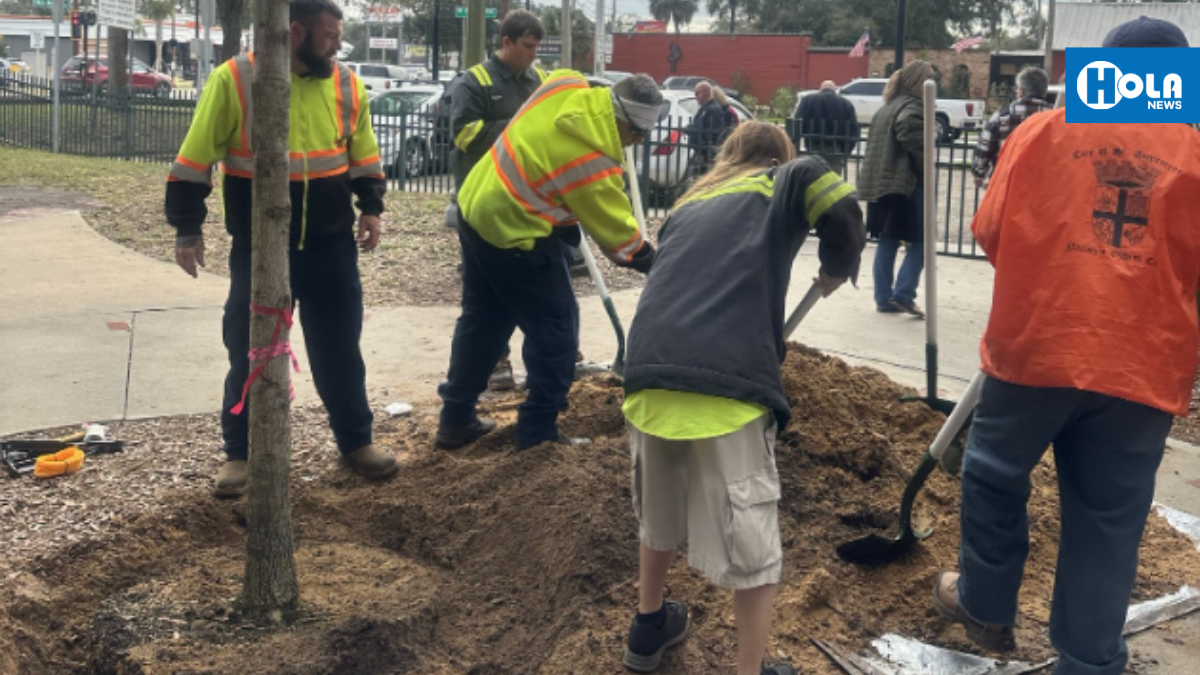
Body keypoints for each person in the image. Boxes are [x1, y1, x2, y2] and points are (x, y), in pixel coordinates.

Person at [932, 18, 1200, 675]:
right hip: (1143, 361)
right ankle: (1088, 659)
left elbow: (993, 229)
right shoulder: (1194, 152)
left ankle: (986, 604)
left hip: (1040, 342)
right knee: (1108, 520)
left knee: (994, 472)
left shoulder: (1041, 134)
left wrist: (1051, 273)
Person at [620, 122, 865, 675]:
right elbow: (836, 201)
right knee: (752, 546)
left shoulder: (691, 203)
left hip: (648, 374)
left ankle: (648, 626)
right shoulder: (783, 179)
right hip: (724, 384)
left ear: (728, 156)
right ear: (779, 156)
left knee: (657, 515)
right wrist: (834, 268)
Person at [164, 0, 396, 498]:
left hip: (332, 245)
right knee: (249, 352)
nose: (337, 44)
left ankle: (356, 442)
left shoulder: (347, 84)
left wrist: (372, 207)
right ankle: (239, 455)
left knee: (340, 350)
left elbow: (364, 153)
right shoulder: (236, 80)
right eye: (329, 34)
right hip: (261, 246)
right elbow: (193, 160)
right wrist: (187, 228)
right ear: (294, 32)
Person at [435, 73, 661, 451]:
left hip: (475, 209)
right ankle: (538, 435)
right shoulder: (593, 163)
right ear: (620, 117)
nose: (637, 141)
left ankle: (455, 419)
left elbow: (565, 74)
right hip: (515, 231)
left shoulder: (565, 86)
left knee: (484, 320)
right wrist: (655, 262)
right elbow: (620, 243)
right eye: (636, 132)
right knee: (556, 332)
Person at [448, 10, 548, 392]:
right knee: (485, 288)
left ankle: (547, 354)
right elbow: (463, 135)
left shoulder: (537, 80)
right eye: (527, 46)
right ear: (505, 42)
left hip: (526, 201)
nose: (533, 55)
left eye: (537, 47)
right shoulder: (474, 82)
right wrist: (515, 131)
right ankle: (496, 362)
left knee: (532, 282)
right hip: (482, 203)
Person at [856, 60, 933, 317]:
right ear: (917, 82)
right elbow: (908, 129)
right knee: (921, 242)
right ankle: (904, 294)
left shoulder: (887, 107)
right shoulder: (912, 106)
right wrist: (925, 164)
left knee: (888, 241)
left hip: (881, 185)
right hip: (904, 186)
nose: (933, 84)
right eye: (929, 79)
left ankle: (883, 298)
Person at [971, 67, 1051, 187]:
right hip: (1043, 190)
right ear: (1044, 91)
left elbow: (983, 150)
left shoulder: (1002, 116)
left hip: (1006, 187)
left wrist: (980, 174)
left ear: (1021, 91)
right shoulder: (1056, 117)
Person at [795, 80, 860, 175]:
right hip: (836, 148)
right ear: (835, 90)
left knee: (814, 177)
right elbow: (853, 130)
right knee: (834, 181)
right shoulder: (846, 104)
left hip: (813, 145)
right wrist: (845, 151)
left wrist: (802, 142)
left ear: (820, 89)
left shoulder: (808, 100)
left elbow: (797, 122)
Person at [686, 81, 730, 166]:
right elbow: (699, 127)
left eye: (696, 94)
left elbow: (711, 133)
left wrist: (703, 152)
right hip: (700, 151)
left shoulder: (713, 110)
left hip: (707, 155)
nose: (696, 97)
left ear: (704, 93)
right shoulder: (705, 108)